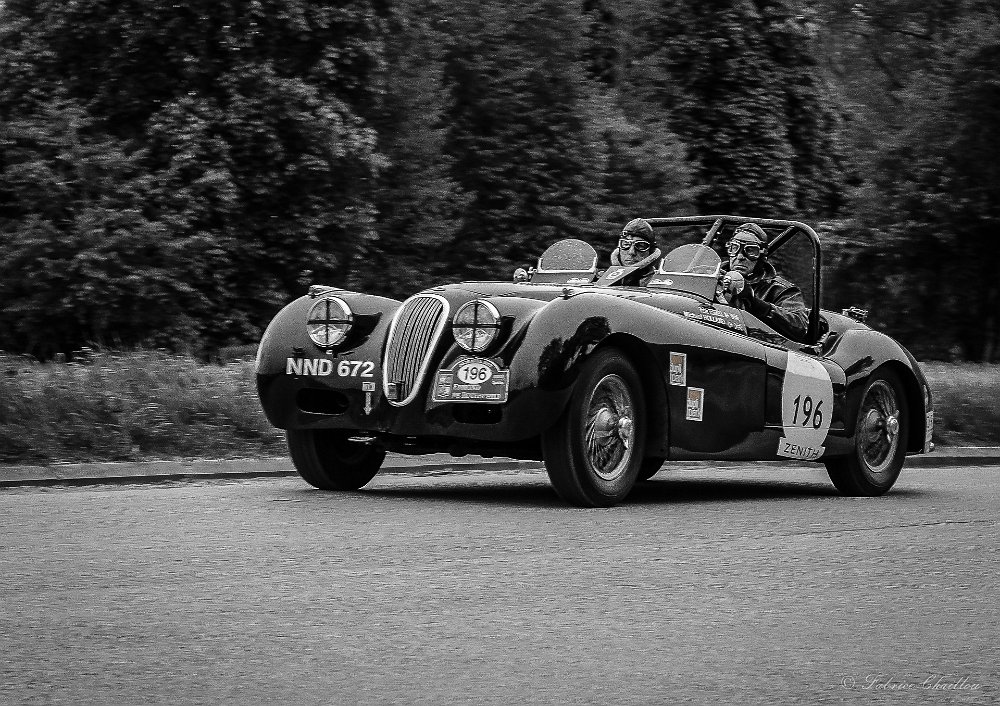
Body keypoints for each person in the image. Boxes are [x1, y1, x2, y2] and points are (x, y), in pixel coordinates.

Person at [718, 222, 810, 342]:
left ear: (762, 256)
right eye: (734, 248)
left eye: (750, 250)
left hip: (755, 345)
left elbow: (800, 327)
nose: (740, 257)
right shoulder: (712, 277)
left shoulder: (780, 290)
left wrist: (754, 302)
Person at [606, 218, 662, 286]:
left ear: (651, 252)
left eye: (640, 246)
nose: (631, 252)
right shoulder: (601, 280)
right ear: (619, 249)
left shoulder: (660, 284)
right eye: (626, 244)